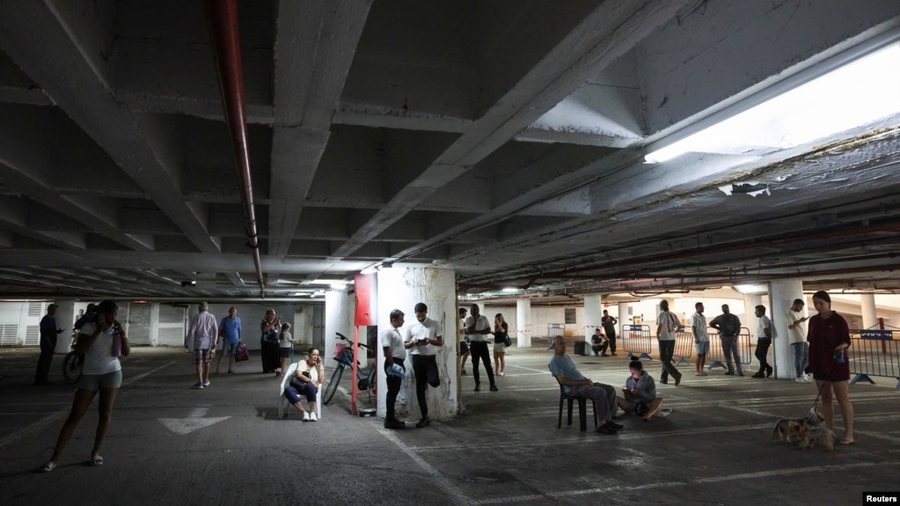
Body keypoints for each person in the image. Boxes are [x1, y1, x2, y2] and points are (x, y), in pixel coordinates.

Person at [40, 300, 129, 472]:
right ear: (101, 314)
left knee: (105, 414)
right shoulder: (88, 327)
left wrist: (123, 334)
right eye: (110, 314)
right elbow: (80, 350)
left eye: (115, 314)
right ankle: (54, 458)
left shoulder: (116, 329)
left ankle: (95, 453)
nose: (113, 317)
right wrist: (98, 331)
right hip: (90, 374)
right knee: (75, 415)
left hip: (112, 373)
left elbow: (126, 352)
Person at [807, 290, 855, 445]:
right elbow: (811, 343)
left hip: (837, 364)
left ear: (828, 303)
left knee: (842, 398)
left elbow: (846, 340)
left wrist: (841, 346)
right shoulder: (813, 321)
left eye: (821, 303)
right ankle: (829, 432)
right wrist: (810, 364)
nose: (818, 306)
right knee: (826, 399)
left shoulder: (838, 320)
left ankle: (849, 434)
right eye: (815, 303)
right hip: (819, 365)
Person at [548, 336, 621, 435]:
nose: (564, 346)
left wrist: (586, 380)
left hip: (582, 383)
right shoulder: (555, 361)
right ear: (554, 346)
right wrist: (582, 382)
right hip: (573, 388)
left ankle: (608, 420)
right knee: (600, 392)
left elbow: (575, 373)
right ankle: (601, 424)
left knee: (610, 389)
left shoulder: (566, 357)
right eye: (561, 344)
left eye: (565, 343)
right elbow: (563, 381)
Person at [404, 302, 443, 428]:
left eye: (421, 315)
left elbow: (440, 342)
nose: (420, 317)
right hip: (417, 358)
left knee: (435, 382)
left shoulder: (434, 324)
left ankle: (426, 379)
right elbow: (406, 344)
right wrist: (414, 342)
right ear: (415, 313)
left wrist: (428, 340)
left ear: (426, 312)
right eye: (418, 315)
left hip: (430, 359)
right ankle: (425, 416)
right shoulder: (411, 325)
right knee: (419, 389)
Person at [283, 347, 324, 422]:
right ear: (309, 355)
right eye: (313, 354)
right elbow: (298, 374)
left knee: (310, 386)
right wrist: (311, 381)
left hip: (311, 389)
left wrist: (319, 367)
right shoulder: (302, 362)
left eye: (317, 355)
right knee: (288, 390)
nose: (315, 357)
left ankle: (313, 413)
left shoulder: (319, 366)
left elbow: (321, 381)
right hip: (299, 386)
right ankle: (304, 412)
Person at [381, 309, 406, 429]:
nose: (403, 321)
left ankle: (391, 418)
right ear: (394, 319)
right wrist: (392, 365)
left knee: (394, 391)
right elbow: (386, 349)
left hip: (397, 362)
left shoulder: (395, 331)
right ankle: (390, 420)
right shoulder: (388, 331)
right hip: (393, 363)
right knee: (392, 392)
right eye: (401, 319)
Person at [463, 304, 497, 392]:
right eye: (473, 310)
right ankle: (477, 384)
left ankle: (492, 384)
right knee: (475, 365)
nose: (475, 311)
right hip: (474, 345)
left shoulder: (484, 318)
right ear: (470, 311)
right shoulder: (468, 319)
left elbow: (488, 330)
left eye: (476, 309)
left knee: (488, 365)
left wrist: (477, 331)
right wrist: (475, 321)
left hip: (483, 344)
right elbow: (470, 331)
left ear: (478, 310)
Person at [187, 302, 218, 389]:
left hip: (198, 344)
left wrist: (188, 343)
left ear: (199, 308)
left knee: (198, 363)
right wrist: (214, 342)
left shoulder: (197, 317)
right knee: (207, 362)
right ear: (207, 308)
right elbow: (216, 330)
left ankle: (200, 383)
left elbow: (192, 331)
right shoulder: (212, 316)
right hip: (208, 343)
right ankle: (206, 380)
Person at [35, 303, 65, 385]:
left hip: (51, 342)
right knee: (44, 361)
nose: (54, 311)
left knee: (47, 361)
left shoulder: (52, 319)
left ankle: (43, 378)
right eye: (53, 309)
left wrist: (57, 331)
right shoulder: (46, 319)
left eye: (54, 309)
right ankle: (40, 380)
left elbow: (51, 330)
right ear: (48, 310)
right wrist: (49, 342)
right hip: (47, 343)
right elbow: (44, 332)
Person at [709, 304, 743, 376]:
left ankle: (739, 370)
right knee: (727, 355)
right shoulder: (719, 317)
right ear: (722, 309)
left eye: (726, 308)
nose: (725, 309)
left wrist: (736, 336)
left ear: (728, 308)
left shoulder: (734, 317)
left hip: (732, 337)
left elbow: (738, 327)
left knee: (736, 354)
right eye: (723, 308)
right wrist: (719, 328)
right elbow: (711, 323)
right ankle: (730, 370)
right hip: (724, 338)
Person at [656, 300, 682, 385]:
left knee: (664, 359)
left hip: (664, 339)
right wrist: (674, 332)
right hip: (672, 339)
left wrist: (657, 335)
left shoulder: (661, 314)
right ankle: (664, 379)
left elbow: (660, 326)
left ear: (661, 306)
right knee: (667, 359)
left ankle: (676, 374)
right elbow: (679, 326)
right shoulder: (673, 314)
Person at [787, 298, 811, 383]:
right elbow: (790, 326)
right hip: (796, 338)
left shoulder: (796, 313)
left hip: (802, 338)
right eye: (800, 307)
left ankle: (802, 372)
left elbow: (796, 324)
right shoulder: (790, 313)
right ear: (795, 305)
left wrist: (801, 321)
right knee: (799, 357)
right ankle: (798, 375)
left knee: (807, 356)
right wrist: (800, 320)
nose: (801, 309)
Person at [216, 306, 242, 374]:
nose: (233, 312)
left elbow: (239, 330)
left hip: (235, 339)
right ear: (229, 311)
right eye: (232, 311)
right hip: (227, 339)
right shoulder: (224, 320)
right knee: (223, 354)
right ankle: (218, 369)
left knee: (233, 354)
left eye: (234, 311)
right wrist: (218, 339)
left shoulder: (238, 319)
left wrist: (239, 339)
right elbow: (220, 329)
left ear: (236, 313)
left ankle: (230, 369)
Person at [752, 305, 775, 378]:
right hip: (762, 339)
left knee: (761, 355)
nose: (755, 313)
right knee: (759, 354)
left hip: (764, 339)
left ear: (761, 311)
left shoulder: (763, 319)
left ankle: (762, 372)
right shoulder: (763, 318)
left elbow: (766, 329)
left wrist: (768, 338)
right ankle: (768, 368)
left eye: (756, 311)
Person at [260, 309, 281, 374]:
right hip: (266, 342)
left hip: (275, 342)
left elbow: (281, 328)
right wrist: (273, 323)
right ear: (268, 315)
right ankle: (267, 369)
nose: (274, 316)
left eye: (274, 314)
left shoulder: (275, 322)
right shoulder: (264, 321)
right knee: (267, 356)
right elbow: (265, 330)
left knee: (275, 356)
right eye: (272, 314)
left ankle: (273, 368)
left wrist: (279, 323)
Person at [691, 302, 709, 376]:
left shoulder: (703, 317)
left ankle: (702, 370)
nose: (703, 308)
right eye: (701, 307)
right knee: (699, 355)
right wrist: (696, 338)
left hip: (705, 338)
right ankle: (697, 370)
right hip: (699, 339)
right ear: (697, 307)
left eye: (703, 307)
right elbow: (693, 327)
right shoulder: (694, 317)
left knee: (704, 354)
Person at [458, 308, 470, 376]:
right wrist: (463, 330)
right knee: (467, 352)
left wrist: (464, 330)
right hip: (459, 340)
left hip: (462, 339)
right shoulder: (456, 320)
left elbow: (461, 330)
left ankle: (460, 368)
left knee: (460, 355)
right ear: (461, 313)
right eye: (465, 313)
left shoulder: (462, 321)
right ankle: (461, 367)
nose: (465, 315)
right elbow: (457, 330)